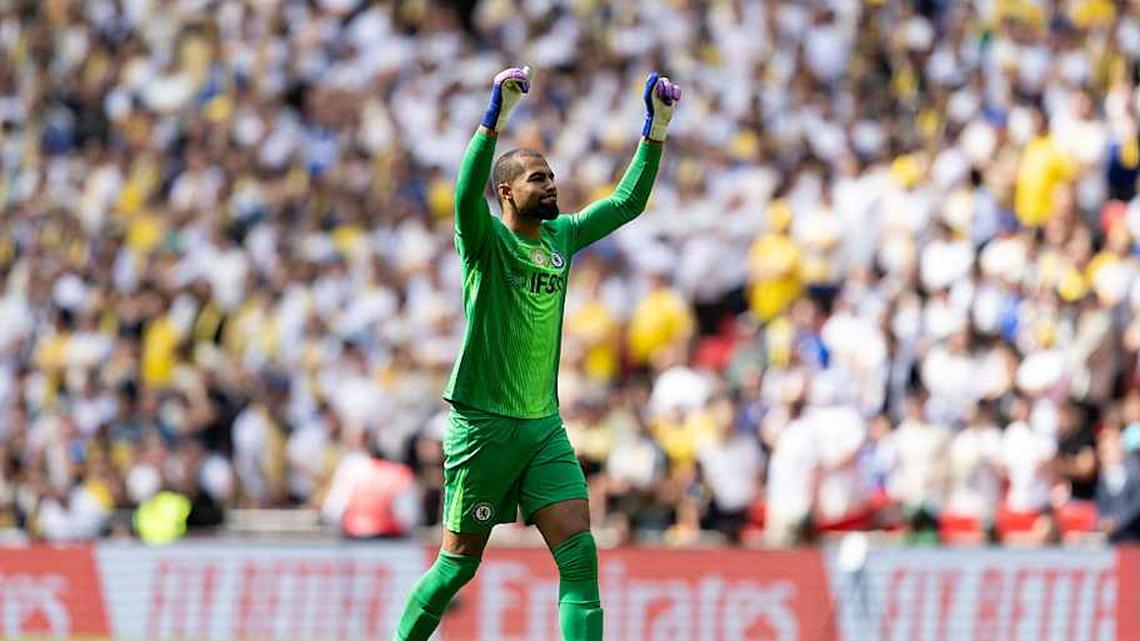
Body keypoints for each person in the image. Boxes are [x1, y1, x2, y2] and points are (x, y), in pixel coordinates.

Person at [392, 65, 681, 641]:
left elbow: (626, 204)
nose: (551, 186)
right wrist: (494, 116)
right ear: (506, 193)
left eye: (551, 177)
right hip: (485, 426)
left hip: (543, 427)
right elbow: (463, 192)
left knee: (579, 559)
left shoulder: (561, 238)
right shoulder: (485, 241)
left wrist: (657, 130)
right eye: (537, 179)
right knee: (458, 565)